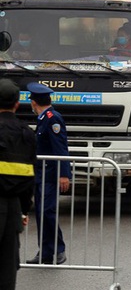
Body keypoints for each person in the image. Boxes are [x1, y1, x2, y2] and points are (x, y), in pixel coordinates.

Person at [26, 82, 70, 265]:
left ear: (34, 102)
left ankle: (58, 250)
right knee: (41, 213)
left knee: (47, 211)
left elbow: (60, 148)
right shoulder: (43, 118)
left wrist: (64, 174)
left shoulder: (52, 118)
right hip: (41, 174)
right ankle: (44, 252)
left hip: (51, 174)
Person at [0, 79, 36, 290]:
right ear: (16, 104)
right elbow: (28, 177)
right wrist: (23, 210)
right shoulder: (26, 133)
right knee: (6, 268)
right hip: (12, 208)